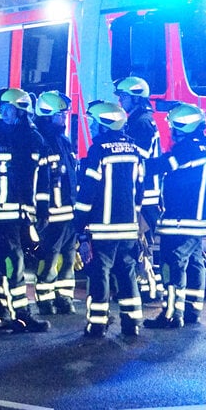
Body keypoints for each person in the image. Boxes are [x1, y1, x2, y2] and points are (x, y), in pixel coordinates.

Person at [0, 87, 51, 333]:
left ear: (20, 111)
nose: (4, 113)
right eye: (2, 109)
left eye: (8, 109)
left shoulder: (35, 140)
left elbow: (43, 181)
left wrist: (43, 212)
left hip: (23, 215)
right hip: (0, 216)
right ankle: (21, 315)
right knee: (13, 262)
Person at [74, 101, 145, 338]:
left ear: (104, 125)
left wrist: (79, 223)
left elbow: (88, 193)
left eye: (95, 122)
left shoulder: (98, 151)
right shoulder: (135, 150)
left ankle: (97, 324)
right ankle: (132, 322)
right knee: (127, 272)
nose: (92, 127)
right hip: (128, 228)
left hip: (102, 228)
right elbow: (140, 190)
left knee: (99, 273)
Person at [143, 103, 206, 328]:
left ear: (183, 126)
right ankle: (193, 309)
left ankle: (172, 314)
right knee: (194, 264)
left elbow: (161, 166)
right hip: (197, 222)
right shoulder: (204, 148)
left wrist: (134, 160)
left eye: (173, 126)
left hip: (180, 221)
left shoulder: (186, 150)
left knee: (172, 265)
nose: (171, 131)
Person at [115, 76, 162, 303]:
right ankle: (146, 288)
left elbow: (136, 158)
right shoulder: (140, 119)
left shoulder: (140, 122)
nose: (120, 101)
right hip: (145, 194)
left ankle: (148, 290)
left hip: (146, 196)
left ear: (135, 97)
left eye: (123, 97)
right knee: (140, 244)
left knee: (141, 244)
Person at [32, 91, 78, 315]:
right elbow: (40, 181)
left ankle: (64, 297)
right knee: (49, 258)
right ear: (47, 114)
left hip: (69, 213)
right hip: (52, 214)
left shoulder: (63, 140)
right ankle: (45, 299)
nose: (64, 118)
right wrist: (41, 212)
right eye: (61, 114)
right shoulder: (41, 141)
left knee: (68, 259)